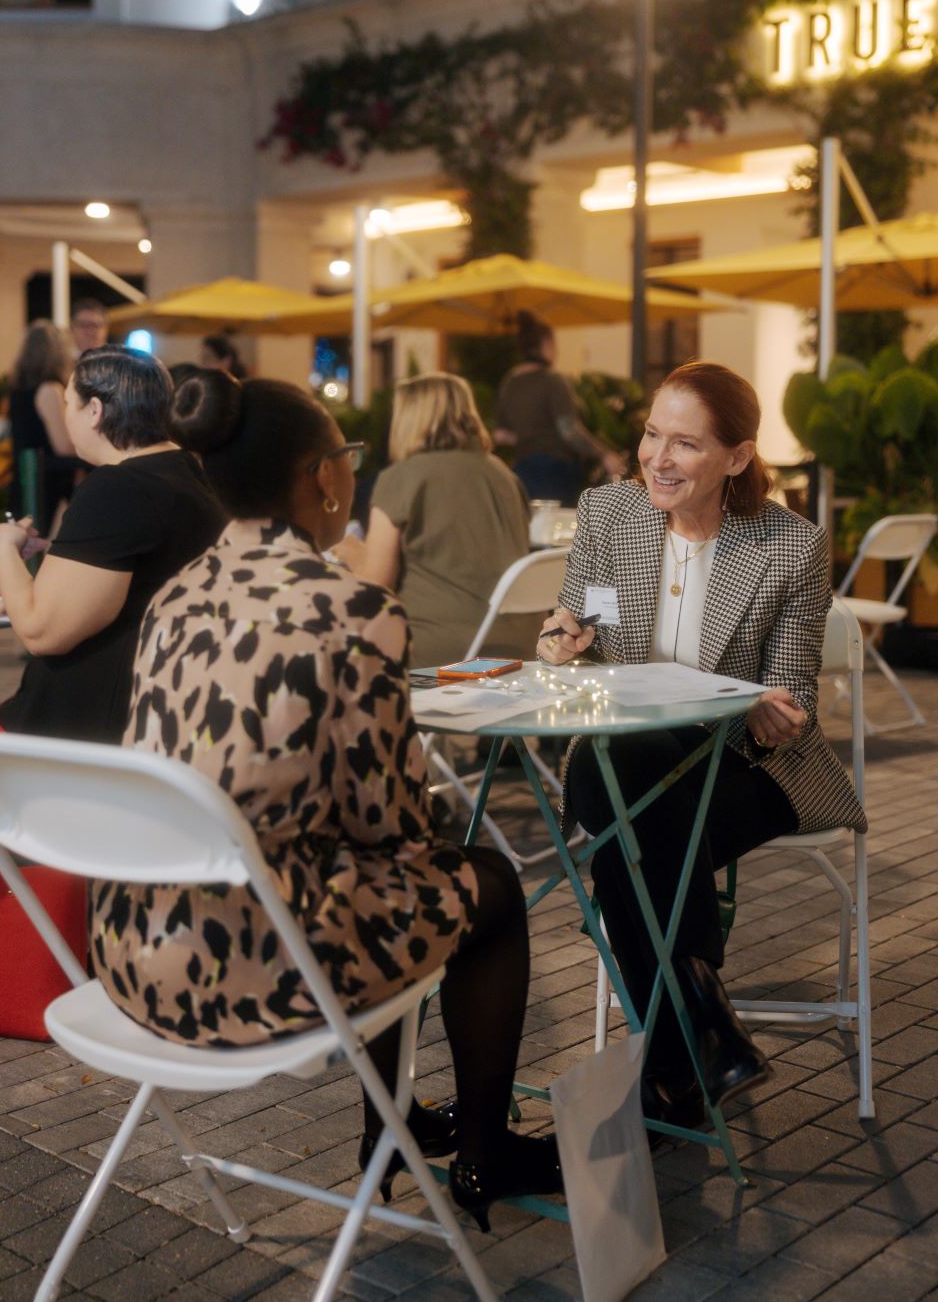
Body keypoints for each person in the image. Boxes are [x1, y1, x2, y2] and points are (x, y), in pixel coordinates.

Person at [88, 370, 562, 1227]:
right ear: (324, 479)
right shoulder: (354, 611)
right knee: (482, 884)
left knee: (364, 877)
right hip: (253, 973)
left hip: (134, 956)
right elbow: (393, 831)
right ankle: (485, 1153)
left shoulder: (174, 599)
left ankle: (395, 1126)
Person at [537, 361, 865, 1127]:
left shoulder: (789, 546)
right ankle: (703, 1031)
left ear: (737, 458)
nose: (657, 457)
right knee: (615, 779)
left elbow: (794, 696)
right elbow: (574, 616)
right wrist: (562, 637)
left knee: (619, 837)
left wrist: (774, 711)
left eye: (685, 444)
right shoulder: (610, 514)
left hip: (746, 768)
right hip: (634, 759)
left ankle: (677, 1053)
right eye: (652, 434)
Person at [0, 346, 224, 744]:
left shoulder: (120, 487)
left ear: (95, 411)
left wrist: (3, 545)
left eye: (68, 403)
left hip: (82, 726)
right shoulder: (189, 473)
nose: (65, 415)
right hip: (157, 708)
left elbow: (40, 630)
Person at [342, 372, 533, 668]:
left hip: (439, 650)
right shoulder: (504, 475)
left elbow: (375, 585)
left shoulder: (402, 477)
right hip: (521, 645)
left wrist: (345, 549)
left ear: (407, 419)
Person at [495, 310, 624, 503]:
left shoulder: (509, 382)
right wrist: (605, 454)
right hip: (554, 471)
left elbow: (501, 435)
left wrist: (528, 435)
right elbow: (569, 430)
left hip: (522, 471)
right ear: (546, 343)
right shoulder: (553, 380)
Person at [6, 320, 79, 531]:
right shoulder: (49, 390)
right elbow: (63, 446)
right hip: (46, 484)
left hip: (26, 478)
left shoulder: (17, 390)